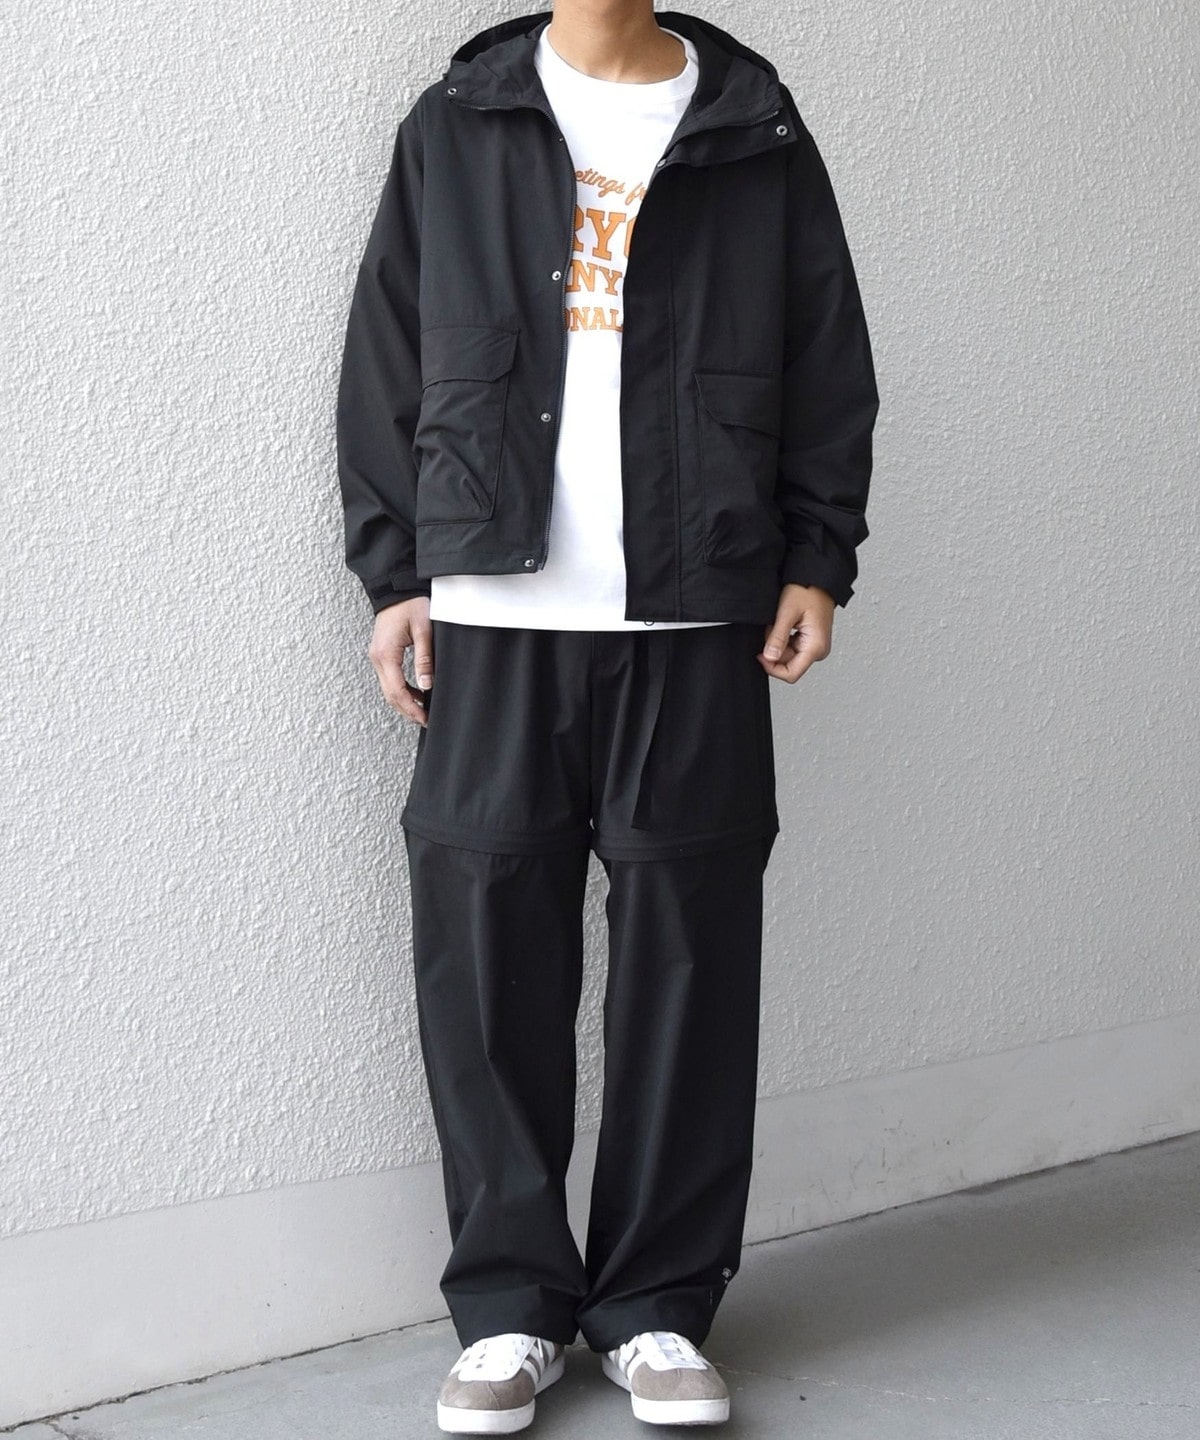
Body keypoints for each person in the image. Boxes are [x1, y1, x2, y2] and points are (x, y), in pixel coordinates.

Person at [335, 2, 878, 1431]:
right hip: (492, 610)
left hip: (697, 604)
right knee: (485, 964)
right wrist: (398, 576)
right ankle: (510, 1306)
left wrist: (817, 554)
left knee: (690, 968)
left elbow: (827, 352)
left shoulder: (752, 127)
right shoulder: (458, 124)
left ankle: (656, 1308)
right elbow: (387, 355)